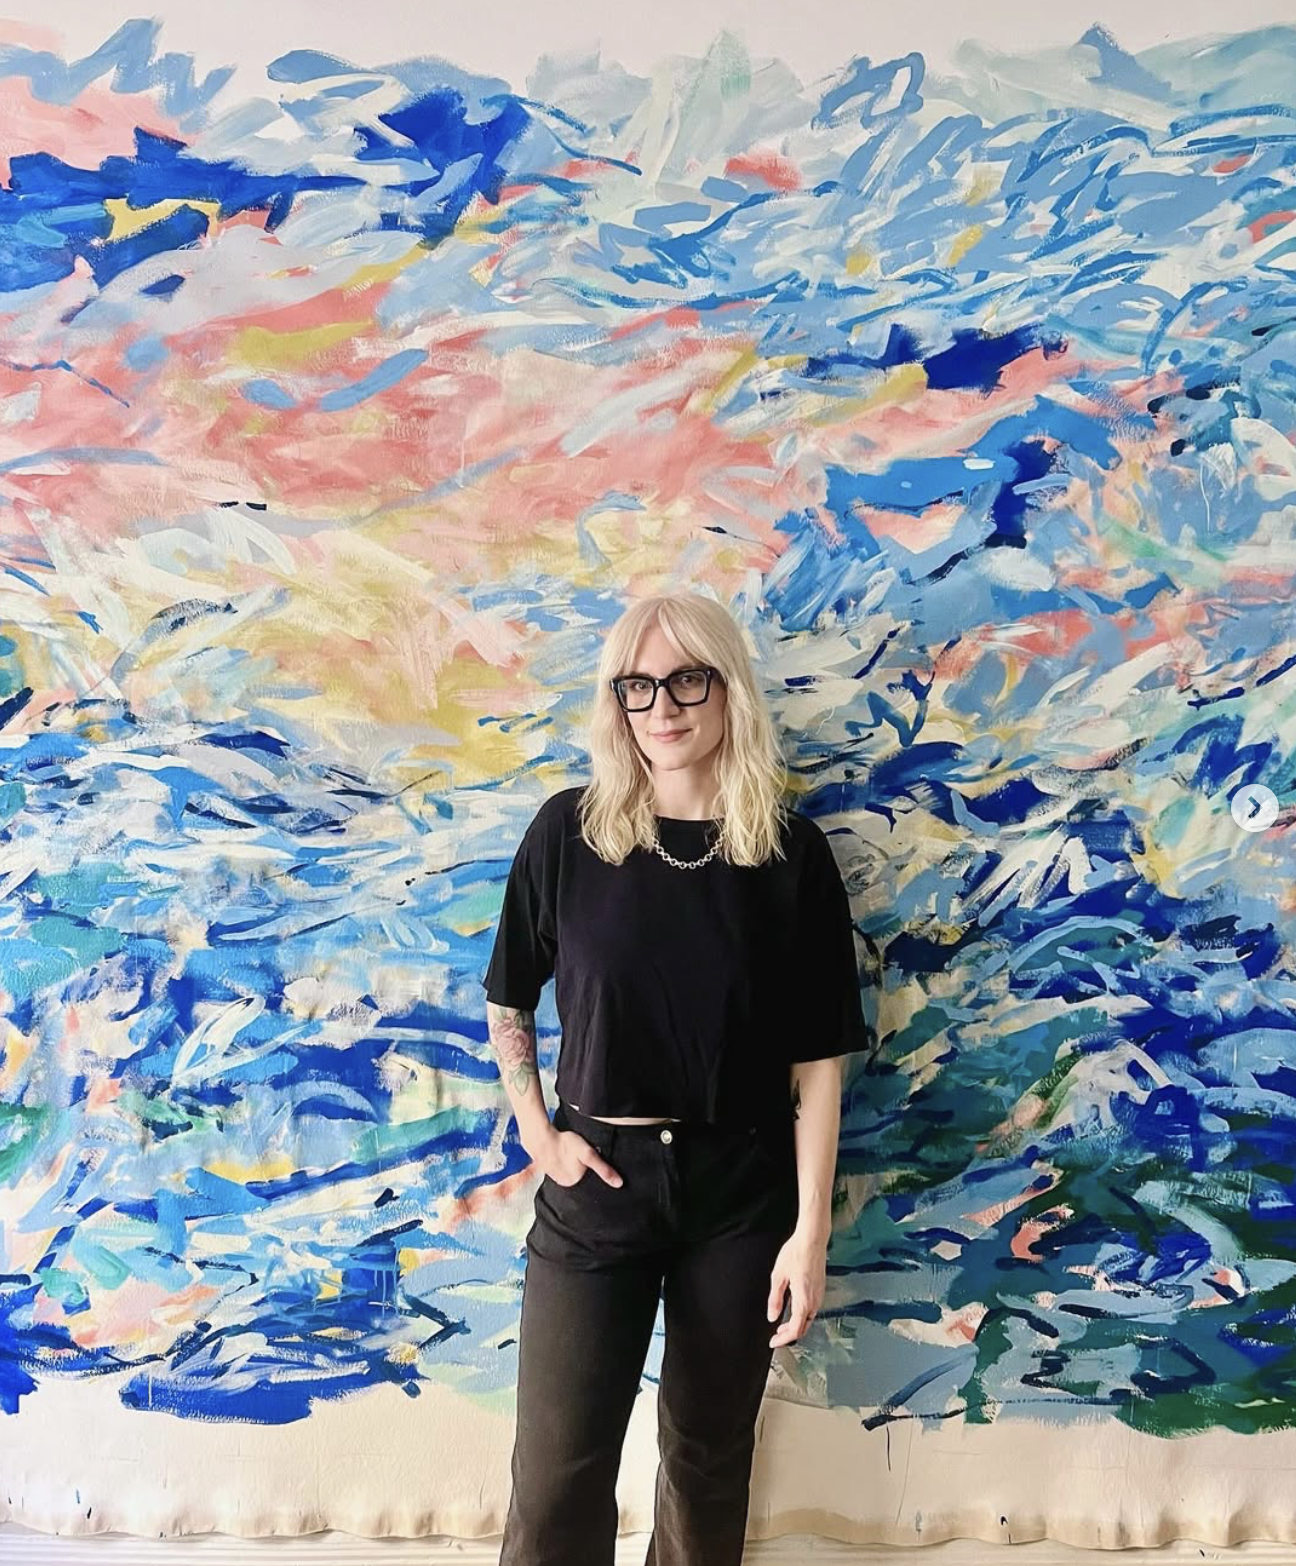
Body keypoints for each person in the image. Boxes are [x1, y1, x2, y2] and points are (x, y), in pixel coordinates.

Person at [481, 590, 873, 1566]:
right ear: (616, 700)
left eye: (687, 680)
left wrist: (809, 1234)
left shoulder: (788, 854)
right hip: (596, 1185)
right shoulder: (568, 835)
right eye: (638, 685)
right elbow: (508, 998)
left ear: (728, 688)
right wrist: (538, 1132)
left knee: (706, 1467)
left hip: (739, 1195)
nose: (662, 706)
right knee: (558, 1473)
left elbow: (818, 1064)